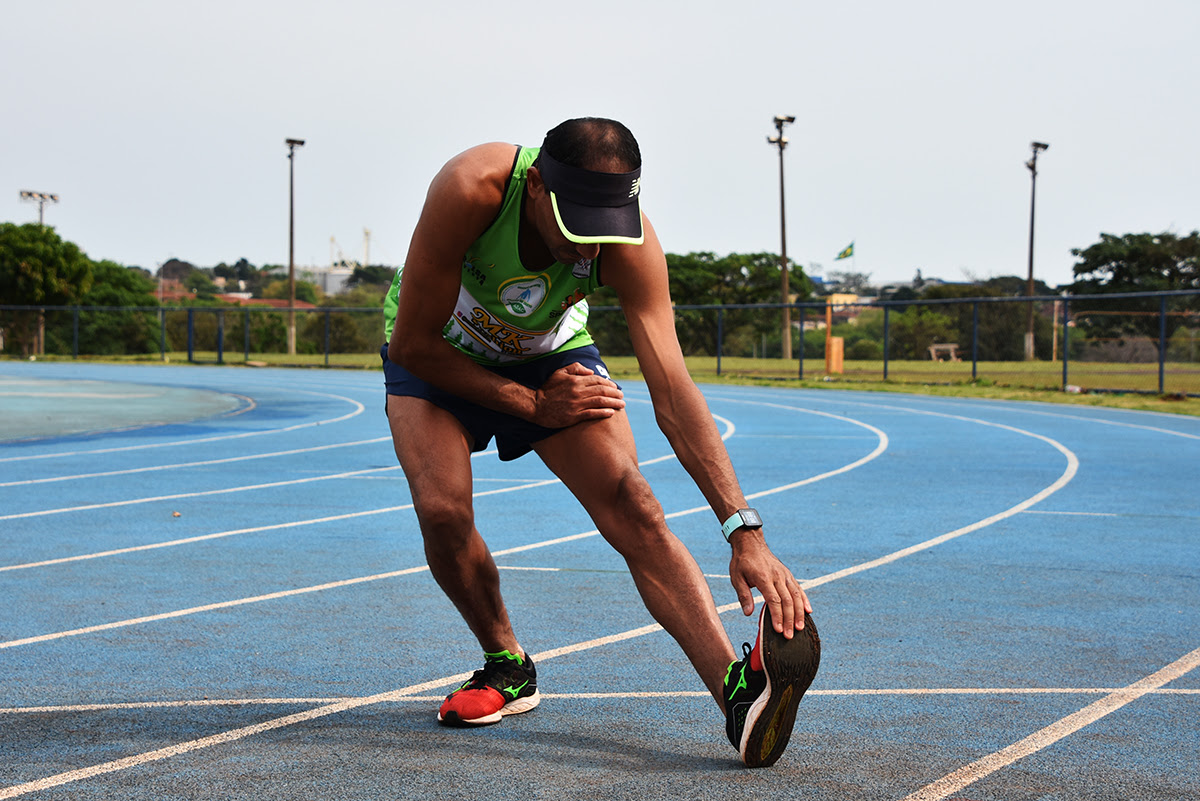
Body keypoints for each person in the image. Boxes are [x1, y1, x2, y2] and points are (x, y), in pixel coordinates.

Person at [382, 117, 820, 768]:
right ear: (535, 187)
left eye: (603, 230)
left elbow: (672, 386)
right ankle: (506, 663)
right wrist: (532, 404)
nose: (589, 251)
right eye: (576, 227)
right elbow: (414, 344)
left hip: (549, 357)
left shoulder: (625, 239)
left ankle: (738, 695)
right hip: (437, 352)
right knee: (444, 511)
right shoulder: (470, 189)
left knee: (634, 502)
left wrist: (743, 529)